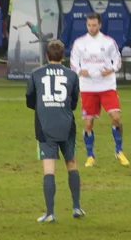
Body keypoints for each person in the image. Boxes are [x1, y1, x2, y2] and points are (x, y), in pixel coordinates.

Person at [26, 40, 85, 223]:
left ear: (46, 56)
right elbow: (74, 102)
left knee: (49, 169)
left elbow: (29, 100)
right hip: (67, 125)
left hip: (45, 126)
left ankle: (50, 213)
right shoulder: (72, 75)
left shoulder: (36, 74)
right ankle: (76, 207)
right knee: (72, 164)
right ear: (64, 55)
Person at [70, 12, 129, 167]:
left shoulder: (109, 42)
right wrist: (79, 71)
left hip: (107, 85)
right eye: (89, 25)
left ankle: (119, 151)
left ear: (100, 25)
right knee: (88, 124)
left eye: (94, 25)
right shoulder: (79, 43)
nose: (92, 28)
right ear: (86, 25)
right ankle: (90, 156)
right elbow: (73, 63)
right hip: (88, 87)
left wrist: (111, 70)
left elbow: (117, 60)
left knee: (116, 117)